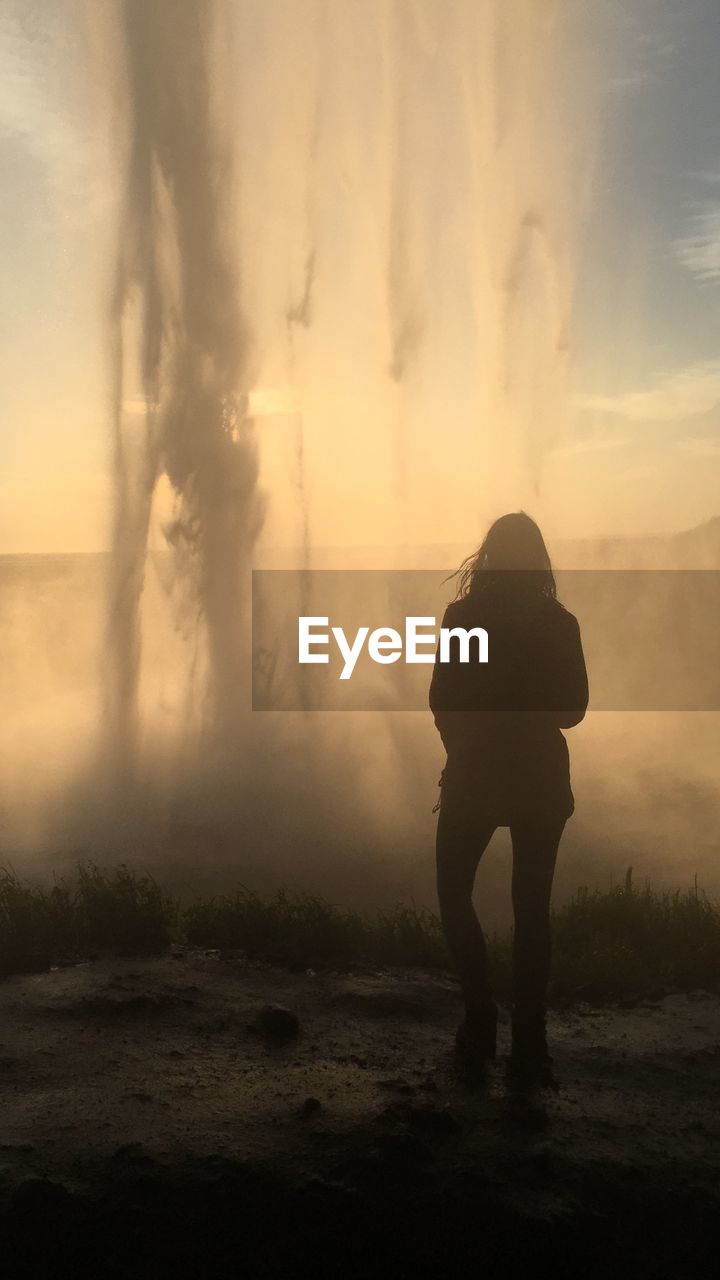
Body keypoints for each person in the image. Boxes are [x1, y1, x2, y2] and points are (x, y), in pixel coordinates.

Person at [429, 512, 588, 1079]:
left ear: (488, 556)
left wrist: (463, 746)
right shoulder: (557, 622)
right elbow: (573, 710)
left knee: (453, 890)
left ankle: (479, 1020)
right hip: (540, 777)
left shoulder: (464, 616)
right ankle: (529, 1042)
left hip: (476, 772)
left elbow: (442, 699)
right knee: (531, 909)